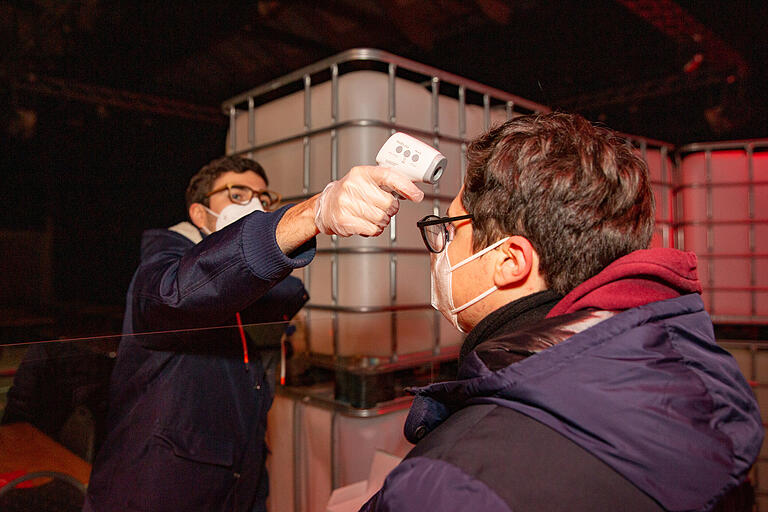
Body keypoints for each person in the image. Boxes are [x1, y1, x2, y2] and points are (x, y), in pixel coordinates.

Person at [361, 113, 763, 512]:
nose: (442, 246)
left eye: (450, 229)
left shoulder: (447, 485)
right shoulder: (689, 386)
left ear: (509, 261)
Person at [83, 156, 423, 512]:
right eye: (237, 193)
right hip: (152, 488)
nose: (255, 205)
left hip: (238, 486)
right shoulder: (163, 264)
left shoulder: (255, 291)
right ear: (199, 215)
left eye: (263, 198)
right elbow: (179, 292)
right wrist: (313, 213)